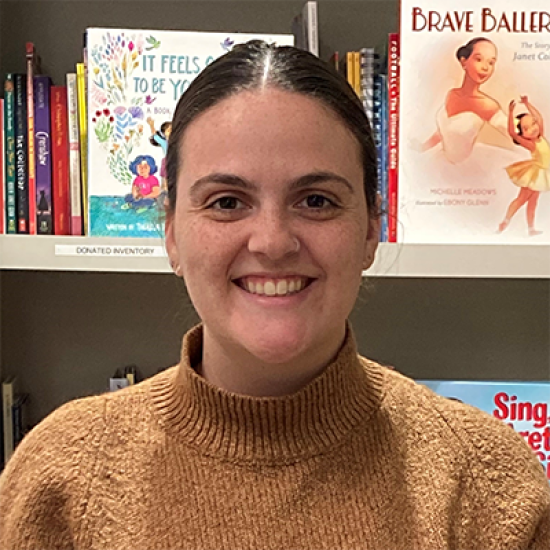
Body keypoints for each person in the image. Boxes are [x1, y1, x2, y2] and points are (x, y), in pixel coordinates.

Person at [0, 41, 549, 548]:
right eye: (226, 202)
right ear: (169, 233)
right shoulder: (63, 476)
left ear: (370, 230)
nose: (272, 243)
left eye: (315, 201)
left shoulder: (487, 484)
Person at [420, 37, 510, 164]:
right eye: (478, 59)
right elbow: (444, 132)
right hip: (441, 160)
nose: (486, 67)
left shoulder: (487, 105)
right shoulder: (451, 94)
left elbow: (515, 133)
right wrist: (422, 148)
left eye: (491, 63)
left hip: (466, 166)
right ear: (464, 62)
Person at [499, 96, 550, 236]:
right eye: (527, 128)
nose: (534, 128)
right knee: (522, 199)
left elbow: (539, 117)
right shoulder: (532, 144)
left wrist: (528, 104)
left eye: (533, 124)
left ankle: (531, 229)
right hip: (534, 174)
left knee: (533, 202)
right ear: (523, 133)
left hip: (542, 175)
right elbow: (512, 133)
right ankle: (505, 221)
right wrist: (510, 114)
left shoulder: (541, 137)